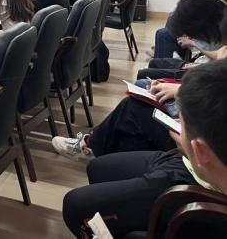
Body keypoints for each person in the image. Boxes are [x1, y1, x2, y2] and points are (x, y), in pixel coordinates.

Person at [61, 61, 227, 238]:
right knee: (97, 168)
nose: (178, 123)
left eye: (182, 123)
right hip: (188, 162)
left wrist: (187, 147)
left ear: (201, 151)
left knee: (75, 205)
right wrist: (189, 148)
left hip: (192, 181)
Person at [53, 0, 227, 161]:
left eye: (194, 37)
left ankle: (94, 148)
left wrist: (181, 90)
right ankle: (107, 157)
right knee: (141, 98)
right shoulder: (221, 35)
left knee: (133, 107)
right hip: (203, 123)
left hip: (206, 139)